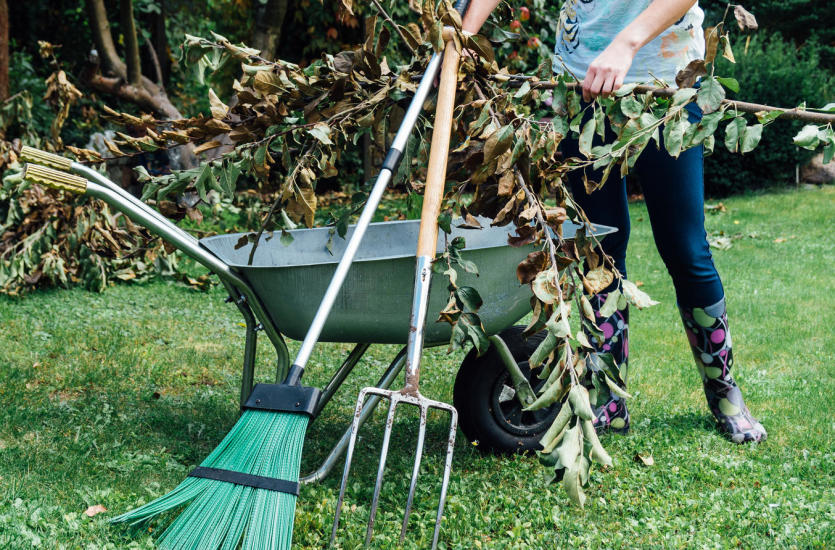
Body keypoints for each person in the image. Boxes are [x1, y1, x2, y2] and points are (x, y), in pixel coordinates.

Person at [461, 0, 766, 443]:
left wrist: (625, 44)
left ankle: (725, 394)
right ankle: (608, 399)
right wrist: (464, 35)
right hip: (581, 86)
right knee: (599, 249)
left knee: (686, 249)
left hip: (666, 85)